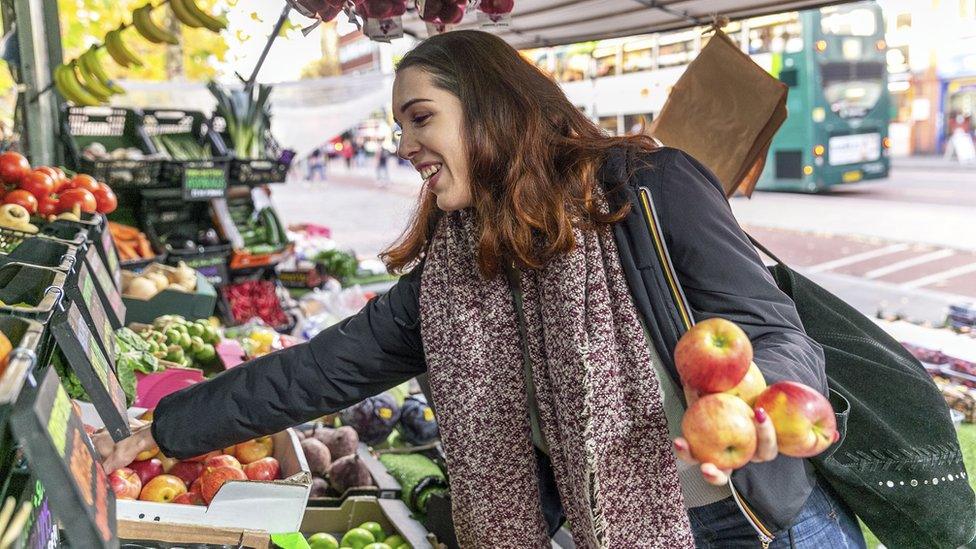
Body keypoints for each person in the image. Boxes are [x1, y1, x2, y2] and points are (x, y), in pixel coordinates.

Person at [94, 30, 865, 548]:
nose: (405, 147)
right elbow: (321, 367)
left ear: (492, 107)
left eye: (420, 118)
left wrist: (773, 405)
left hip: (762, 523)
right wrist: (165, 428)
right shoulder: (459, 269)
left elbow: (770, 324)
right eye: (400, 127)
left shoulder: (648, 188)